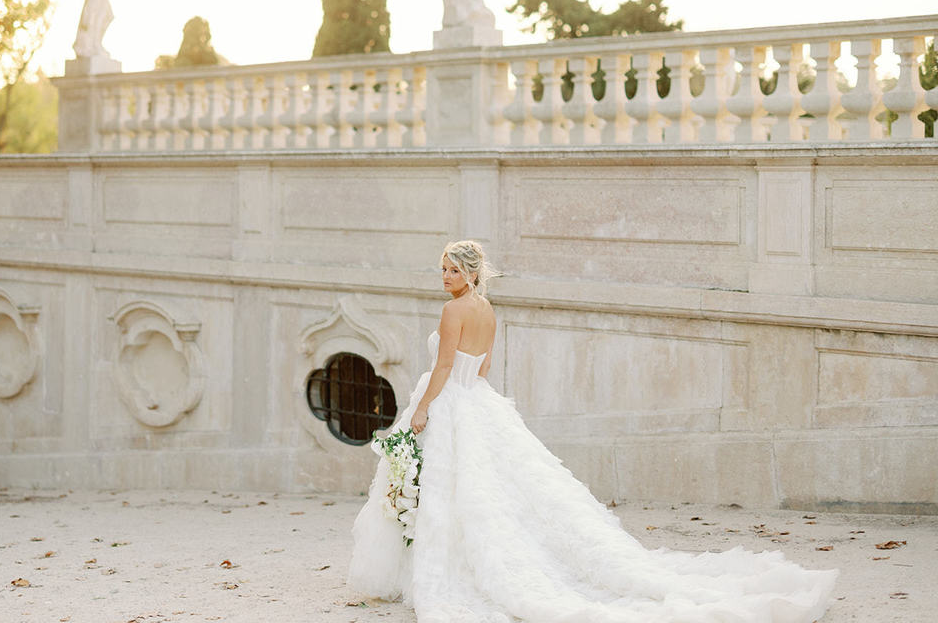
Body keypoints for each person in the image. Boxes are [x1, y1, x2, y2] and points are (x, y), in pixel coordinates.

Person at [348, 240, 838, 622]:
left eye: (454, 269)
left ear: (471, 273)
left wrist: (425, 407)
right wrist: (461, 395)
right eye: (443, 268)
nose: (446, 276)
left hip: (451, 399)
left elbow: (446, 364)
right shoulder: (487, 310)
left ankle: (450, 572)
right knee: (486, 489)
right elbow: (484, 366)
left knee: (451, 490)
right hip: (476, 400)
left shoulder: (454, 310)